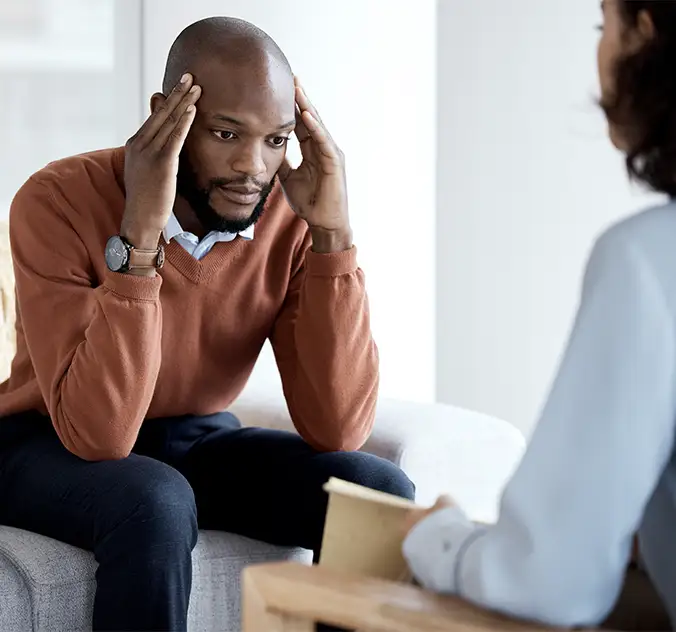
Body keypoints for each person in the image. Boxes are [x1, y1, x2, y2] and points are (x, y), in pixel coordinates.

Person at [0, 16, 414, 632]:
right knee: (154, 498)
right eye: (227, 133)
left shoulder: (291, 218)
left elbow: (338, 426)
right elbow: (99, 436)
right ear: (167, 115)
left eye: (276, 140)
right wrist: (140, 238)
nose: (253, 167)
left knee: (374, 494)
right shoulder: (57, 198)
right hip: (46, 442)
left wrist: (332, 237)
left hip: (194, 441)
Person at [402, 0, 676, 628]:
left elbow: (550, 581)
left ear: (646, 37)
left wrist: (440, 537)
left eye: (602, 24)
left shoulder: (647, 259)